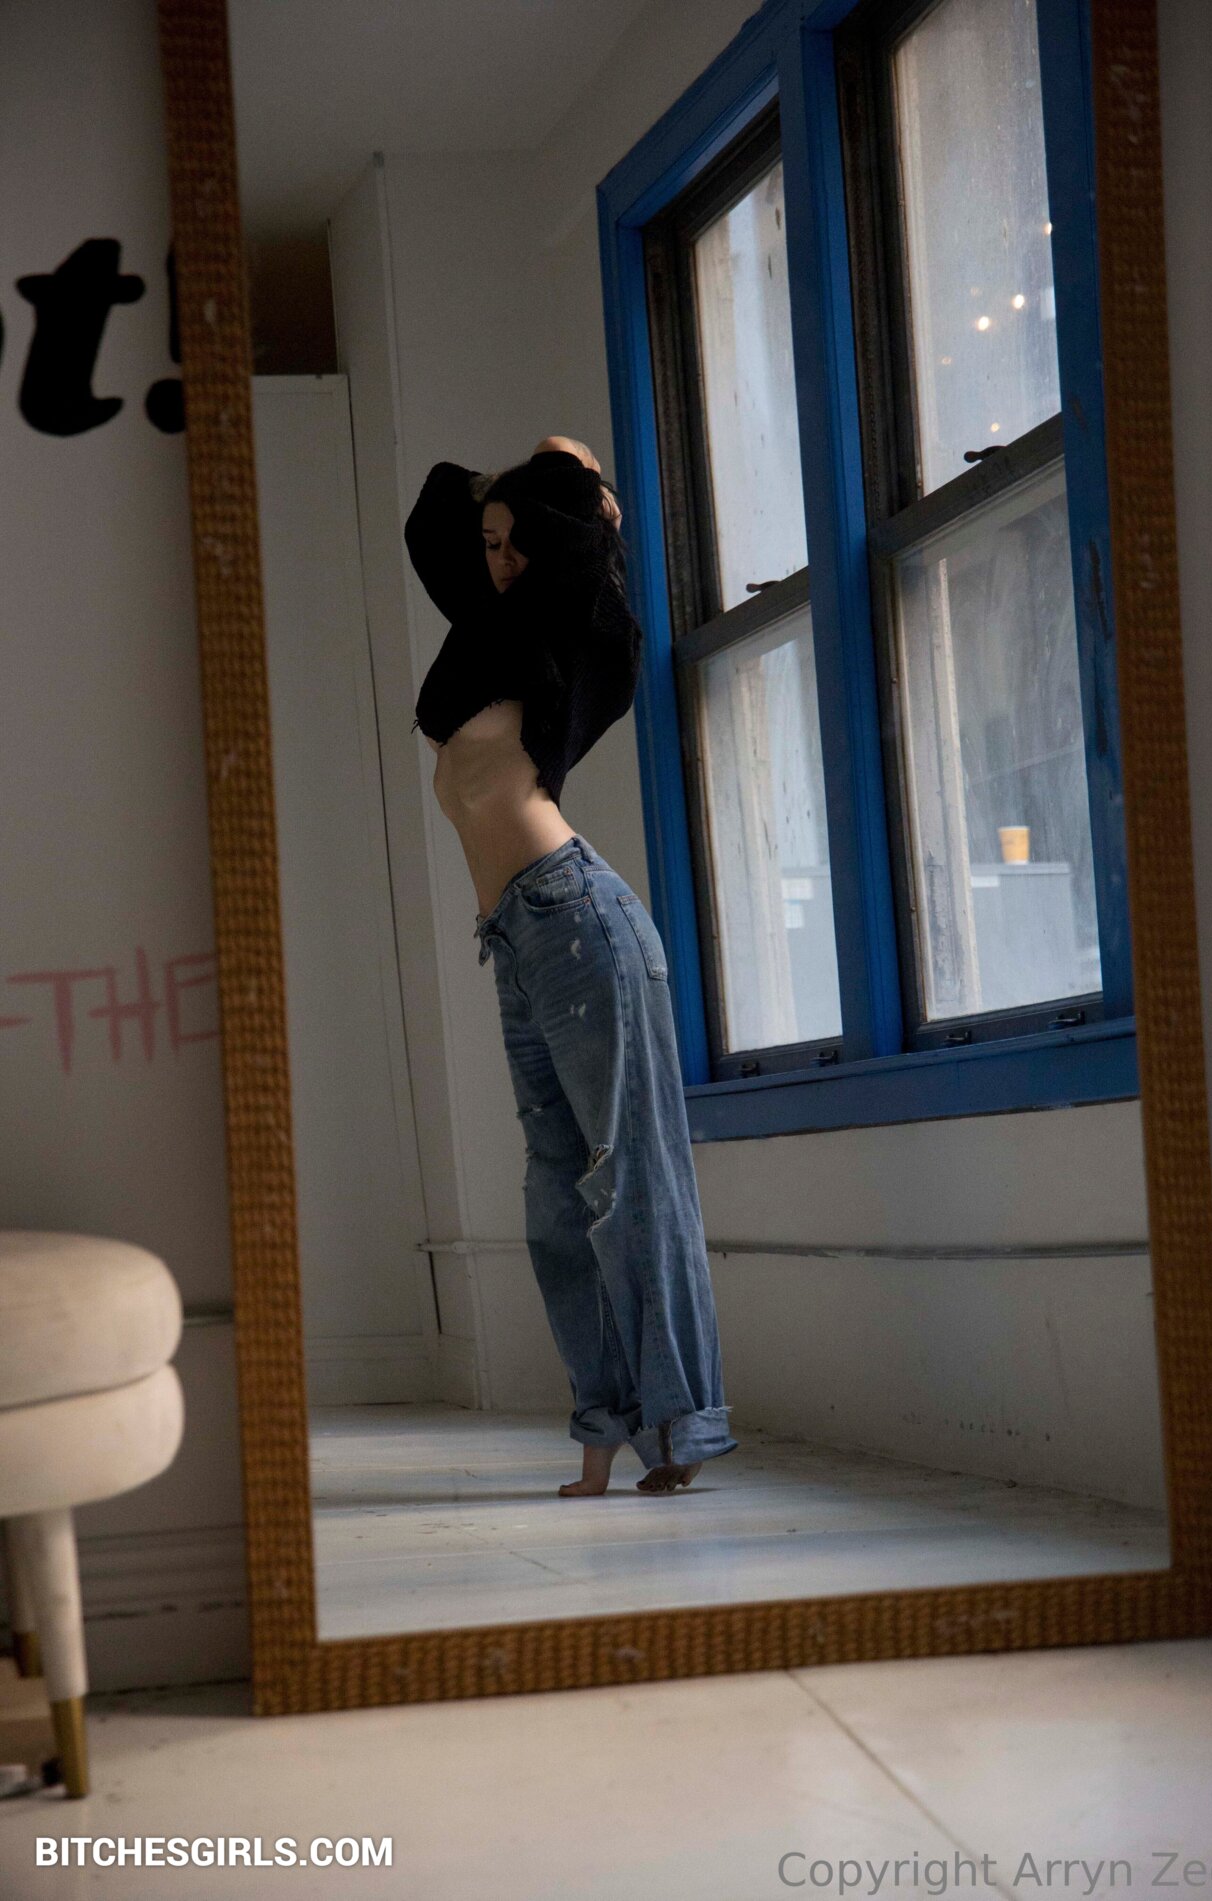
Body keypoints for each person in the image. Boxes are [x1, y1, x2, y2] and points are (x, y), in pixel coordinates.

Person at [405, 434, 738, 1497]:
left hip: (577, 917)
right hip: (516, 936)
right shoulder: (487, 635)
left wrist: (569, 479)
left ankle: (681, 1427)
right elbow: (433, 516)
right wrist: (496, 493)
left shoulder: (578, 629)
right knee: (556, 1198)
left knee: (629, 1176)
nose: (501, 559)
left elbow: (573, 511)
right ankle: (603, 1434)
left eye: (518, 541)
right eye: (491, 543)